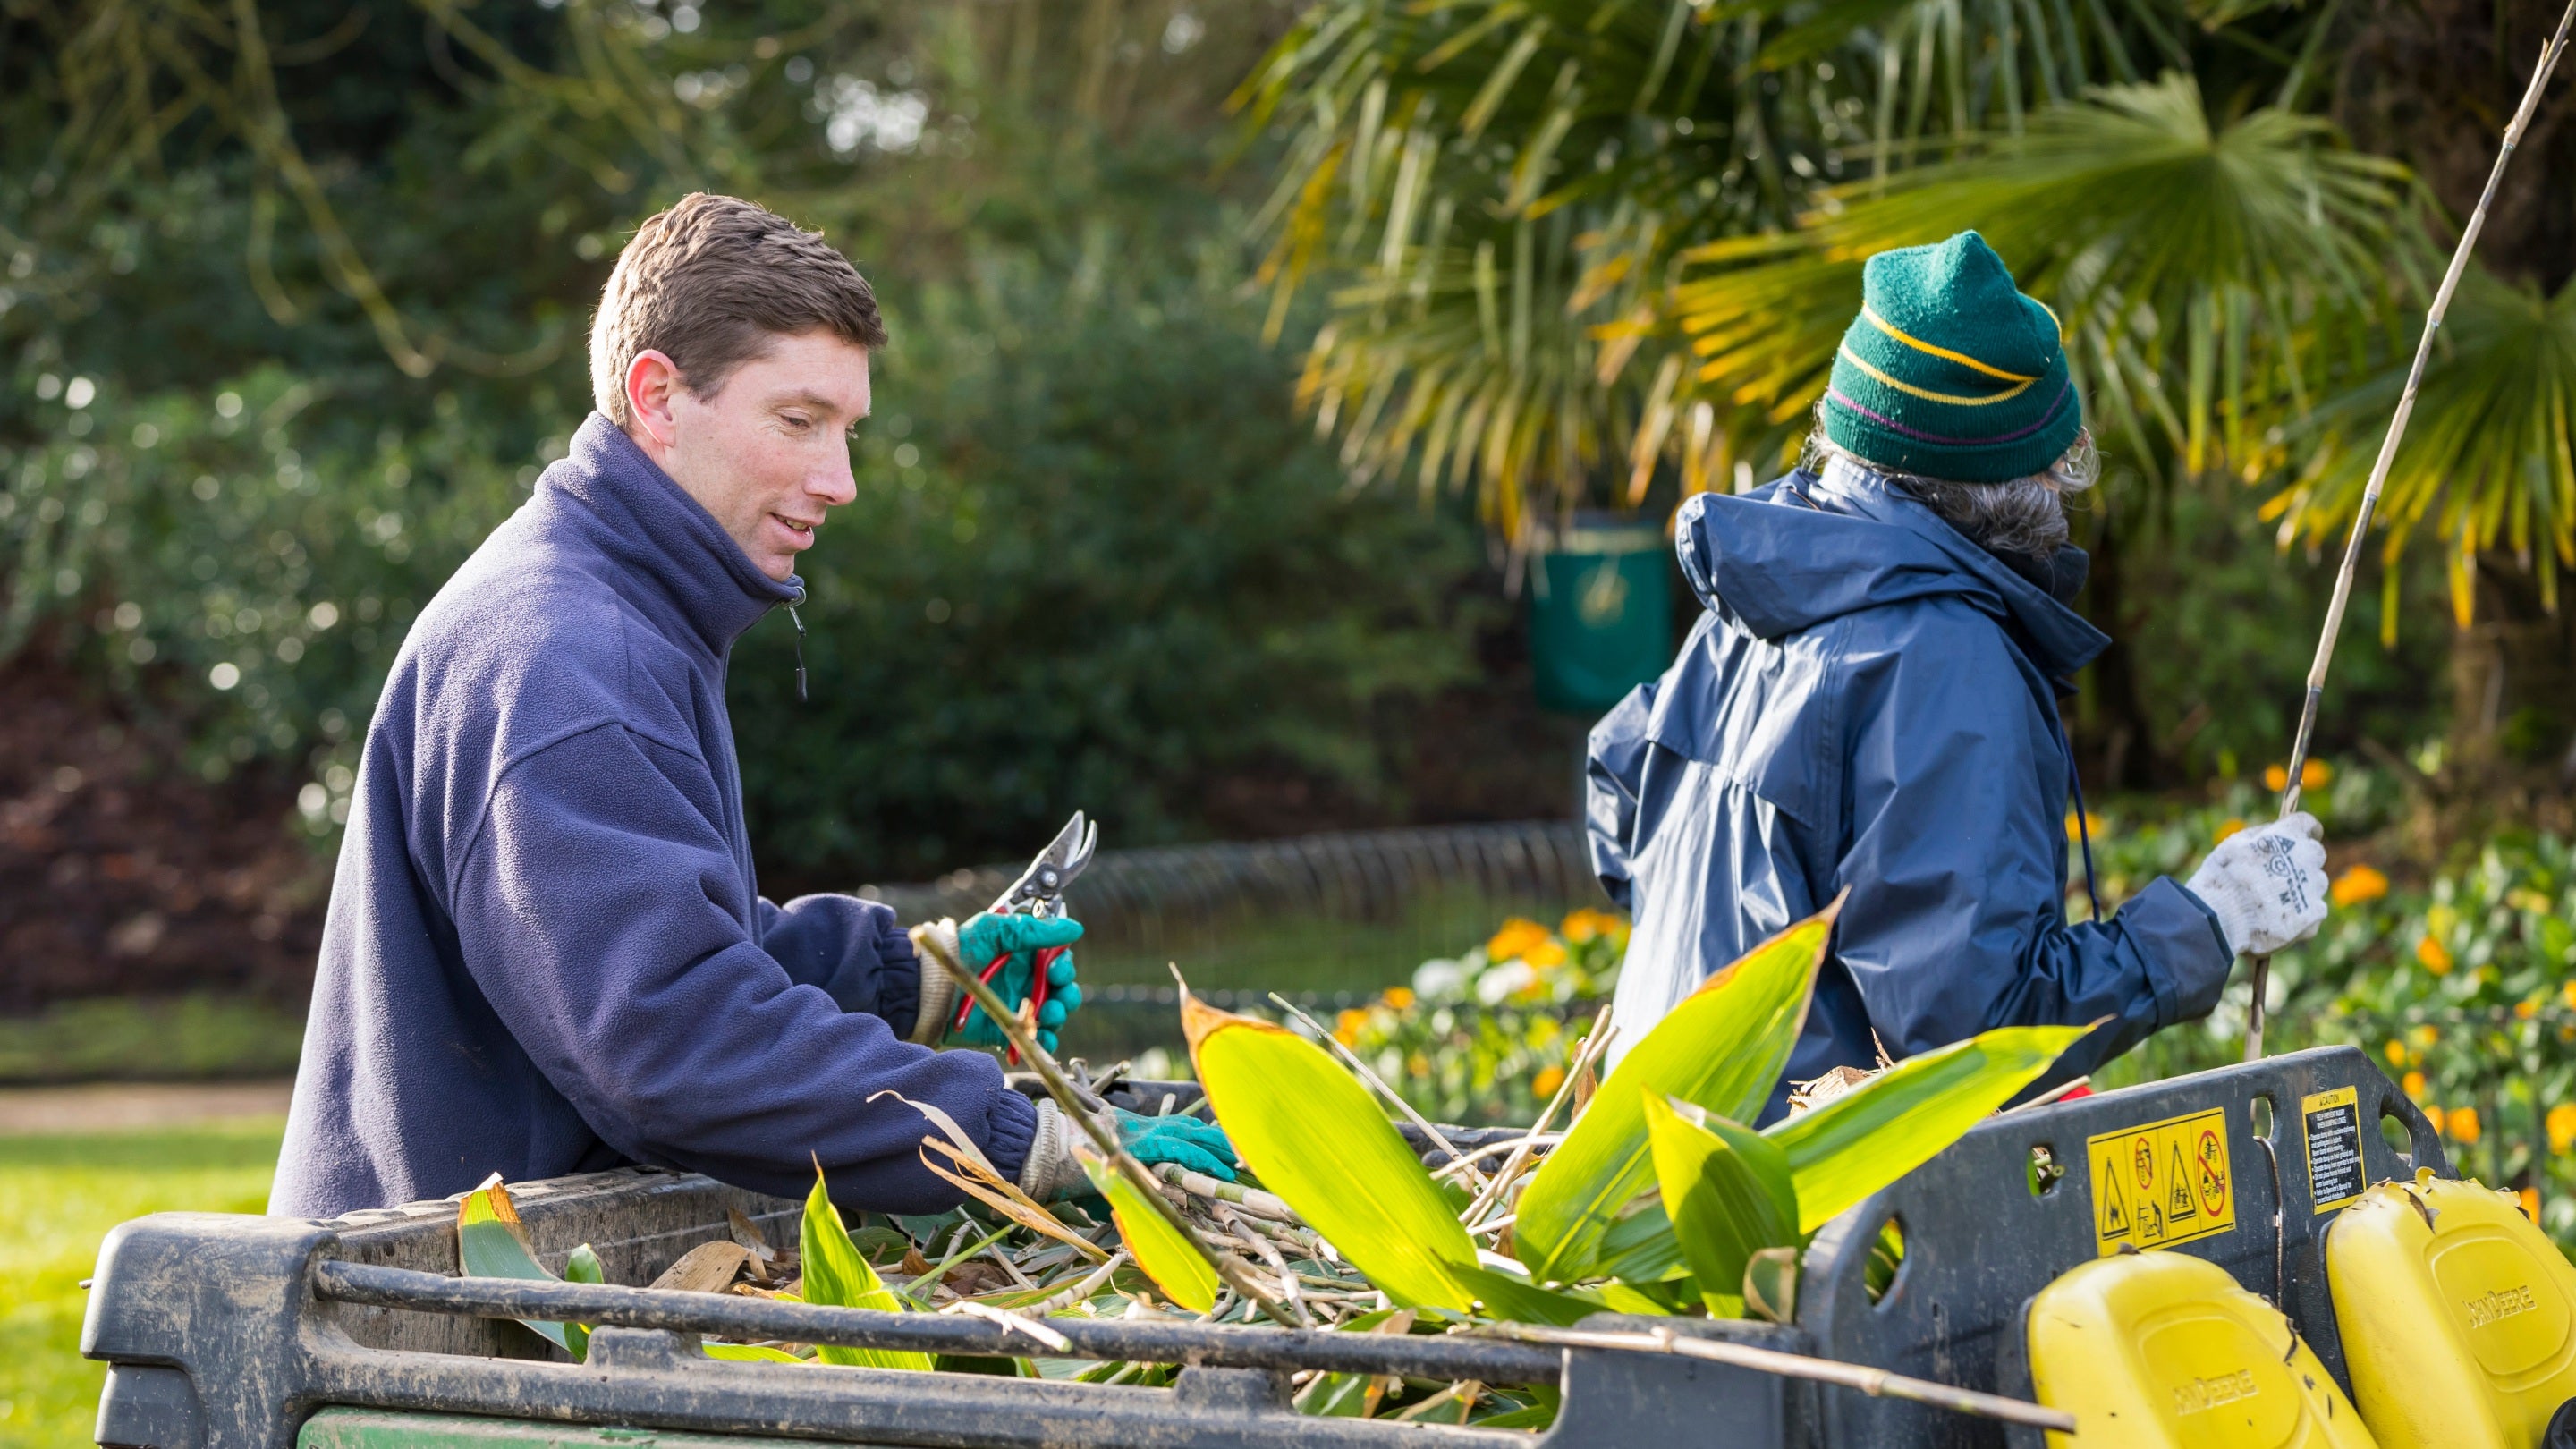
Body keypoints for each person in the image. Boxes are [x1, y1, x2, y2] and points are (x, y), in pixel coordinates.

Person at [271, 193, 1227, 1219]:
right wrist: (1026, 1139)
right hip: (419, 1332)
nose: (842, 479)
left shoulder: (614, 609)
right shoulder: (565, 657)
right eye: (799, 422)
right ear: (658, 398)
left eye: (848, 430)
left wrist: (917, 978)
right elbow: (674, 1041)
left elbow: (651, 944)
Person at [1585, 231, 2330, 1115]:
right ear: (2016, 477)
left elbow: (1618, 794)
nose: (2068, 490)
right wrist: (2211, 920)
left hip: (1651, 1172)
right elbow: (1970, 1035)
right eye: (2064, 461)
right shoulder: (1941, 654)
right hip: (1826, 1214)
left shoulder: (1756, 597)